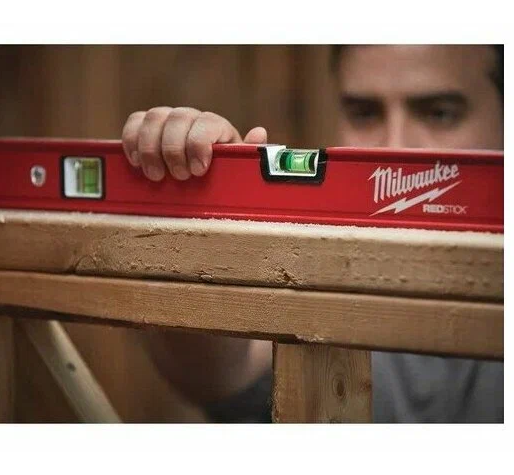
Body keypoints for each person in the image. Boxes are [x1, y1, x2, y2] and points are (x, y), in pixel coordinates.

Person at [121, 45, 504, 423]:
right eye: (364, 113)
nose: (395, 146)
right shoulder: (318, 251)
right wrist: (201, 204)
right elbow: (223, 376)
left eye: (439, 113)